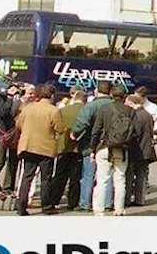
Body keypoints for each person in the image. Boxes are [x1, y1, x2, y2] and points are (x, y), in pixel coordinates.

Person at [13, 83, 64, 216]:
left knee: (27, 177)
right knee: (45, 179)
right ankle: (46, 206)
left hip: (28, 146)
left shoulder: (28, 108)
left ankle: (21, 207)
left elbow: (18, 124)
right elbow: (60, 128)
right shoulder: (53, 110)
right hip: (46, 149)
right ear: (52, 96)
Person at [89, 85, 133, 216]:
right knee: (120, 179)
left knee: (102, 179)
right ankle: (119, 209)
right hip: (122, 149)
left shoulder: (104, 109)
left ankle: (99, 210)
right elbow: (134, 132)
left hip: (104, 147)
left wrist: (93, 148)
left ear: (111, 95)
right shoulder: (130, 111)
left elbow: (96, 131)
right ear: (124, 96)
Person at [71, 82, 113, 212]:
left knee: (88, 175)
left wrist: (74, 132)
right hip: (111, 144)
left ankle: (85, 203)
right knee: (107, 176)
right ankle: (107, 202)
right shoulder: (114, 106)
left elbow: (82, 123)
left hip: (91, 145)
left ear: (96, 91)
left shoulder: (90, 106)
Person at [49, 89, 86, 212]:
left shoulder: (62, 110)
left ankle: (54, 200)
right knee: (75, 178)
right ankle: (73, 202)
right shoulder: (85, 111)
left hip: (63, 146)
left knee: (60, 175)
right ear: (84, 99)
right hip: (78, 147)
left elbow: (57, 127)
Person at [125, 94, 157, 207]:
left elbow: (135, 134)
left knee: (129, 175)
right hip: (146, 150)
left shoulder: (135, 115)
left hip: (135, 149)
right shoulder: (148, 115)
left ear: (130, 103)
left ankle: (127, 198)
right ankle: (140, 199)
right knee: (141, 176)